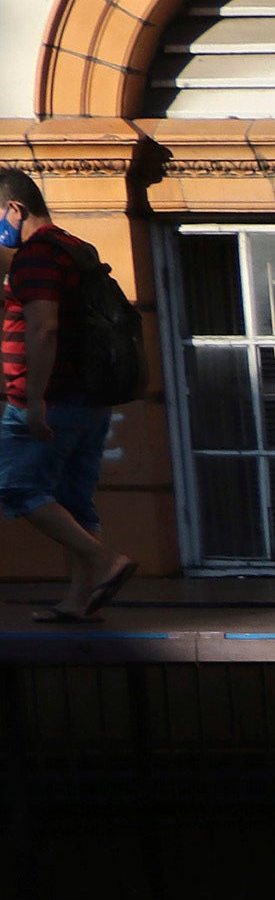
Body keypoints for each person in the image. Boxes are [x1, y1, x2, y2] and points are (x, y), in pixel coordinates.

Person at [1, 171, 138, 623]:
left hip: (47, 397)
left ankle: (102, 561)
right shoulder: (73, 248)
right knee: (75, 499)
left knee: (14, 485)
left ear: (14, 210)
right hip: (88, 396)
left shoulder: (37, 257)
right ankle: (81, 599)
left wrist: (35, 400)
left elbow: (44, 327)